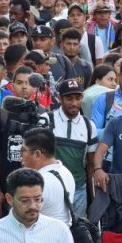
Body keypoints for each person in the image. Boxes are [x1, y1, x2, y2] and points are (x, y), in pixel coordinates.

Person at [49, 78, 98, 217]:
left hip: (79, 189)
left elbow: (91, 165)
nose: (74, 103)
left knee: (78, 232)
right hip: (52, 188)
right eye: (69, 98)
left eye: (78, 98)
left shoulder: (89, 126)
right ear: (60, 98)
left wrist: (93, 198)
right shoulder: (47, 119)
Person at [20, 127, 76, 225]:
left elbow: (20, 220)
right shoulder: (66, 172)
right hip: (64, 235)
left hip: (44, 238)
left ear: (37, 154)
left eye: (23, 151)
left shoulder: (39, 182)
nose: (21, 157)